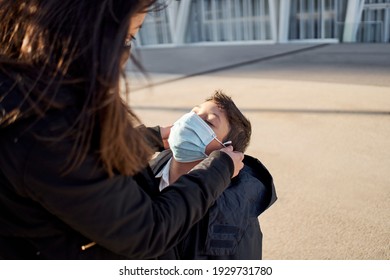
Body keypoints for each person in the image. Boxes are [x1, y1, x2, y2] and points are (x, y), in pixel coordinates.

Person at [0, 0, 244, 259]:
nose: (190, 121)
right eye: (126, 38)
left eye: (207, 122)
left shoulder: (25, 98)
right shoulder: (48, 130)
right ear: (83, 30)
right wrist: (218, 170)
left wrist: (143, 138)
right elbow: (147, 232)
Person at [150, 91, 277, 259]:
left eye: (208, 122)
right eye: (194, 112)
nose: (190, 121)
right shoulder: (145, 172)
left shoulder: (230, 220)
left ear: (225, 148)